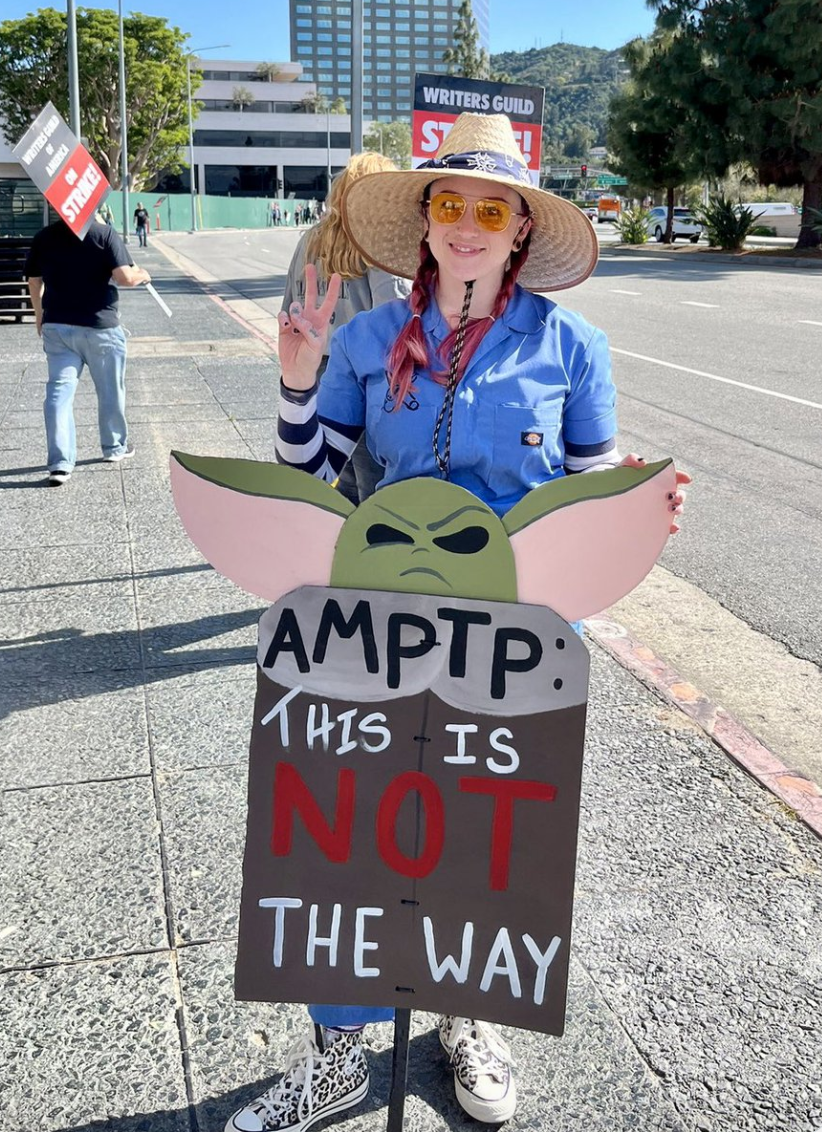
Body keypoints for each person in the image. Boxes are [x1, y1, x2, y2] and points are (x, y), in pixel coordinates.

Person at [227, 114, 689, 1132]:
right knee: (351, 840)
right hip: (377, 631)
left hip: (510, 646)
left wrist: (638, 503)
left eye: (494, 209)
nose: (470, 225)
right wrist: (298, 381)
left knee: (482, 836)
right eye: (452, 204)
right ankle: (339, 1055)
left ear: (520, 229)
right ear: (427, 220)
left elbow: (589, 489)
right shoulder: (360, 340)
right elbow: (306, 477)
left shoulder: (575, 347)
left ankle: (464, 1017)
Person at [280, 151, 410, 504]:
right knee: (376, 479)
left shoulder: (310, 239)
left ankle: (338, 545)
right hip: (369, 374)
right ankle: (368, 553)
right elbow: (395, 317)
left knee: (333, 474)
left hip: (315, 368)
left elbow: (289, 306)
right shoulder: (378, 241)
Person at [26, 217, 151, 485]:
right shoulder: (103, 234)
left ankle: (60, 464)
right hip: (100, 328)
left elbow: (34, 281)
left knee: (58, 393)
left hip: (57, 326)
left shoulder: (44, 236)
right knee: (110, 390)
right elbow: (125, 277)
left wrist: (39, 315)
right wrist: (143, 274)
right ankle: (114, 447)